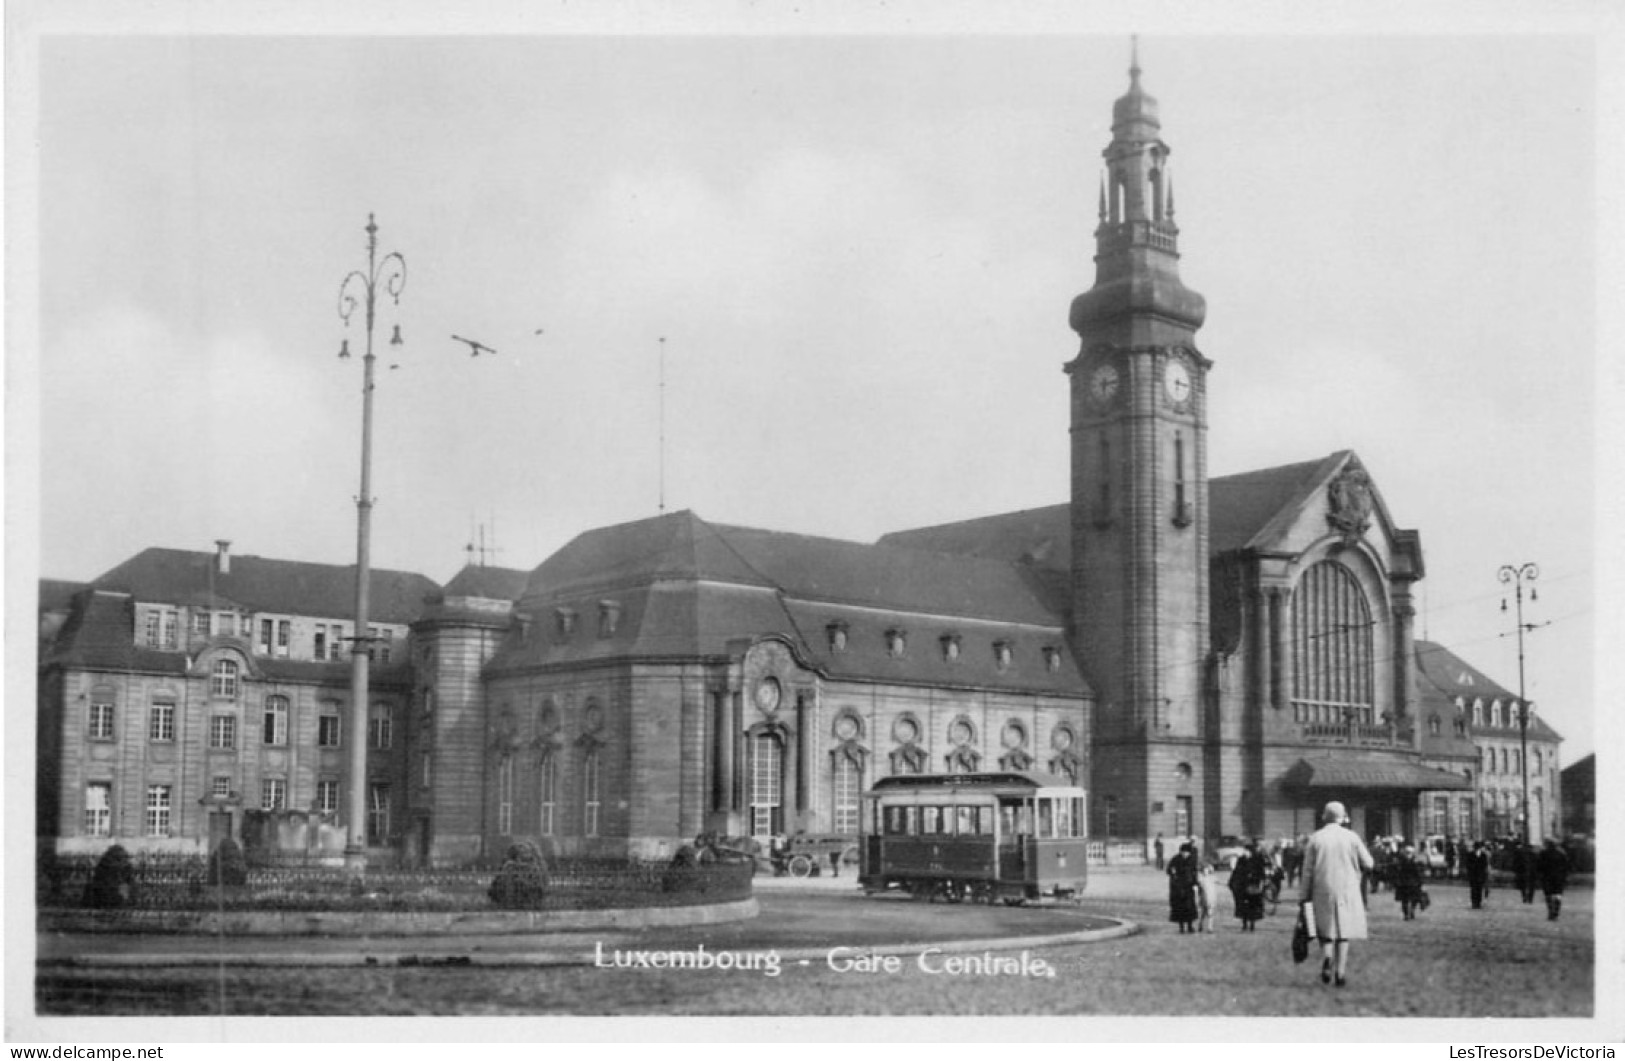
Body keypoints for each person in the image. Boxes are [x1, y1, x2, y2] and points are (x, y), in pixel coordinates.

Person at [1298, 800, 1374, 988]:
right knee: (1344, 932)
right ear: (1343, 817)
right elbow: (1369, 863)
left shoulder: (1315, 838)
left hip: (1322, 888)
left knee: (1326, 930)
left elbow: (1307, 871)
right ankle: (1340, 973)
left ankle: (1327, 958)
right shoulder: (1352, 837)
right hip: (1347, 888)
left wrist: (1303, 896)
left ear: (1325, 816)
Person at [1228, 840, 1268, 932]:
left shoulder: (1257, 859)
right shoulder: (1241, 860)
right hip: (1243, 886)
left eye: (1246, 850)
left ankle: (1252, 924)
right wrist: (1232, 882)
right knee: (1243, 906)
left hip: (1253, 886)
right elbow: (1236, 871)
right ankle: (1244, 924)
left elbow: (1261, 873)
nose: (1245, 852)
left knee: (1253, 906)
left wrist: (1260, 882)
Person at [1167, 841, 1201, 934]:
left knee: (1190, 907)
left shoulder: (1191, 860)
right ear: (1181, 852)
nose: (1186, 854)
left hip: (1189, 887)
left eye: (1187, 852)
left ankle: (1190, 926)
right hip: (1178, 888)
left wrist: (1196, 884)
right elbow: (1169, 870)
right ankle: (1181, 927)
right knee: (1180, 908)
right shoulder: (1175, 859)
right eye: (1184, 852)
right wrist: (1172, 872)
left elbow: (1194, 873)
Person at [1534, 837, 1571, 921]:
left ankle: (1551, 912)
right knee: (1558, 895)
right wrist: (1565, 876)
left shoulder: (1543, 853)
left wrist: (1539, 876)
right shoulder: (1561, 853)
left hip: (1547, 877)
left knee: (1548, 895)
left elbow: (1539, 866)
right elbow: (1567, 866)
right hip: (1559, 877)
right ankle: (1556, 912)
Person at [1391, 841, 1426, 920]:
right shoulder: (1412, 861)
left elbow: (1397, 871)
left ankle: (1408, 913)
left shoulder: (1403, 861)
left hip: (1406, 883)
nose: (1409, 854)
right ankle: (1409, 913)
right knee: (1411, 899)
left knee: (1407, 900)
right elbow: (1418, 873)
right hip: (1411, 883)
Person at [1464, 839, 1491, 909]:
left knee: (1479, 889)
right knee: (1473, 889)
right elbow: (1468, 864)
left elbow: (1484, 865)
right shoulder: (1470, 854)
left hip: (1480, 875)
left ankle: (1478, 902)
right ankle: (1474, 902)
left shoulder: (1483, 855)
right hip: (1473, 875)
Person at [1196, 863, 1217, 933]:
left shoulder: (1212, 878)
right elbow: (1199, 888)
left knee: (1210, 912)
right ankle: (1200, 924)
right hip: (1204, 897)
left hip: (1211, 897)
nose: (1206, 872)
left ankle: (1209, 927)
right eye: (1204, 871)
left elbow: (1219, 882)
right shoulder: (1201, 879)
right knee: (1203, 912)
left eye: (1207, 871)